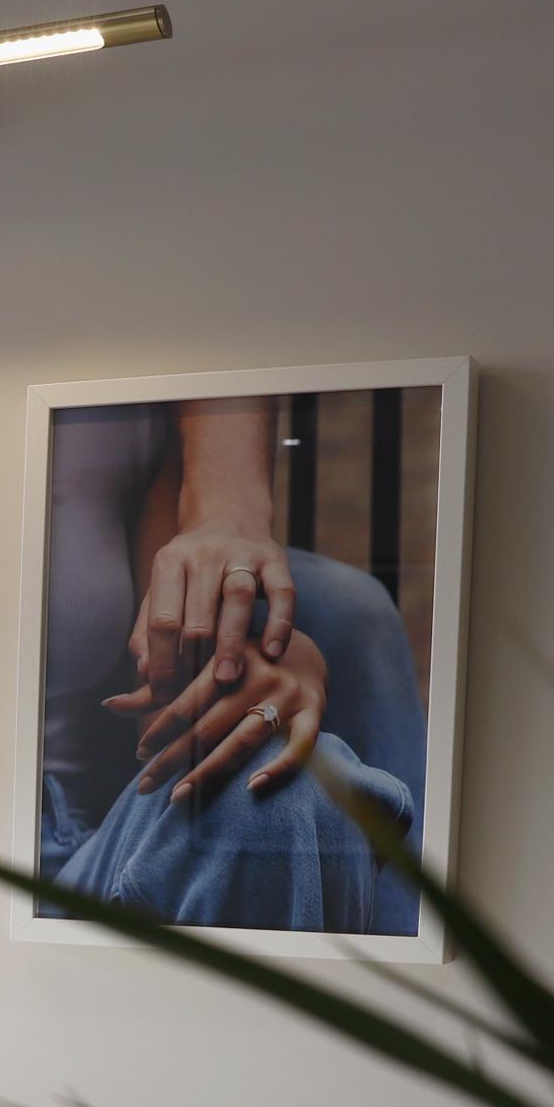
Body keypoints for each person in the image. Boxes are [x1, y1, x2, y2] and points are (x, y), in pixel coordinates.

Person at [39, 395, 426, 935]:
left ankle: (408, 980)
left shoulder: (119, 412)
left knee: (281, 781)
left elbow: (160, 722)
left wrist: (255, 650)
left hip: (75, 839)